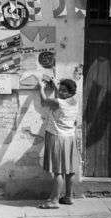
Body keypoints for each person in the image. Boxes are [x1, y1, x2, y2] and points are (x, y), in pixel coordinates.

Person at [37, 76, 80, 209]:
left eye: (64, 91)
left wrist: (41, 88)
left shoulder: (58, 103)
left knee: (58, 171)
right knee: (70, 170)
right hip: (70, 138)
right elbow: (60, 98)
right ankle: (68, 197)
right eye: (60, 90)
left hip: (57, 137)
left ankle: (54, 201)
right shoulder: (74, 101)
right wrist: (57, 86)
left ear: (70, 93)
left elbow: (44, 101)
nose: (61, 93)